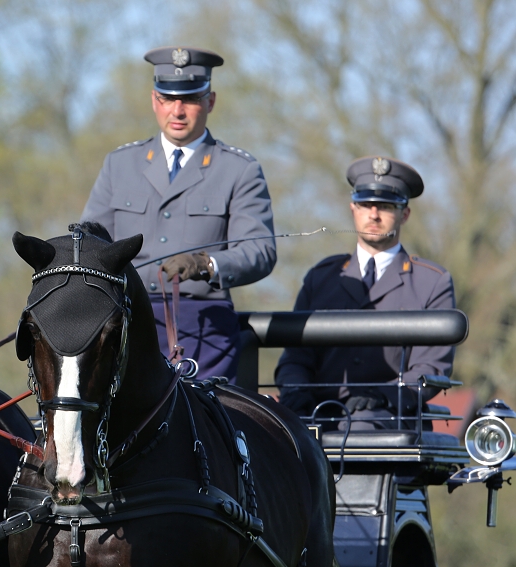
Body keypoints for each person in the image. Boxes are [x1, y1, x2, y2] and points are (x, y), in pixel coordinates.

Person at [80, 46, 276, 381]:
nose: (178, 110)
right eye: (168, 98)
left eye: (190, 99)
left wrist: (207, 264)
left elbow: (260, 251)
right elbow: (91, 243)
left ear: (210, 101)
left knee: (206, 428)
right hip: (122, 322)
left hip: (203, 327)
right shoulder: (120, 164)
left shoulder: (238, 169)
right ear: (154, 101)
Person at [274, 156, 456, 429]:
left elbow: (430, 368)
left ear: (404, 214)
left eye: (385, 206)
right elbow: (295, 358)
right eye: (365, 205)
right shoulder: (322, 277)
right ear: (352, 209)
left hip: (393, 417)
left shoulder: (431, 282)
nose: (373, 214)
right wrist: (296, 396)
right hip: (320, 412)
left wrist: (380, 396)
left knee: (359, 428)